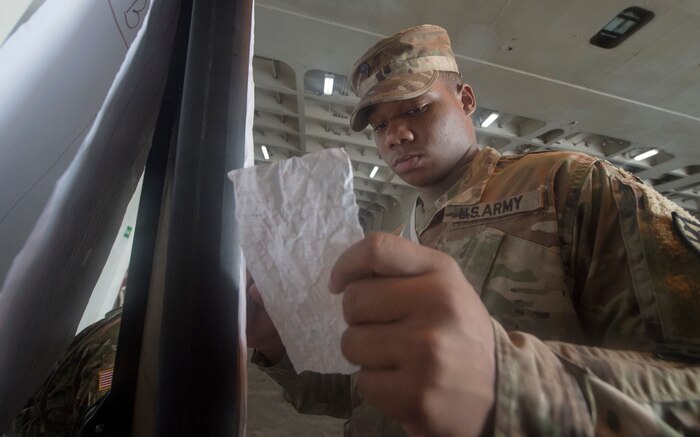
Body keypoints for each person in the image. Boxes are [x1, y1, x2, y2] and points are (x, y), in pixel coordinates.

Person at [248, 24, 700, 436]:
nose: (395, 135)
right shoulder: (403, 241)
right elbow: (369, 395)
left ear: (465, 100)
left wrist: (511, 386)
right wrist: (277, 346)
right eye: (381, 124)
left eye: (416, 109)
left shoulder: (568, 186)